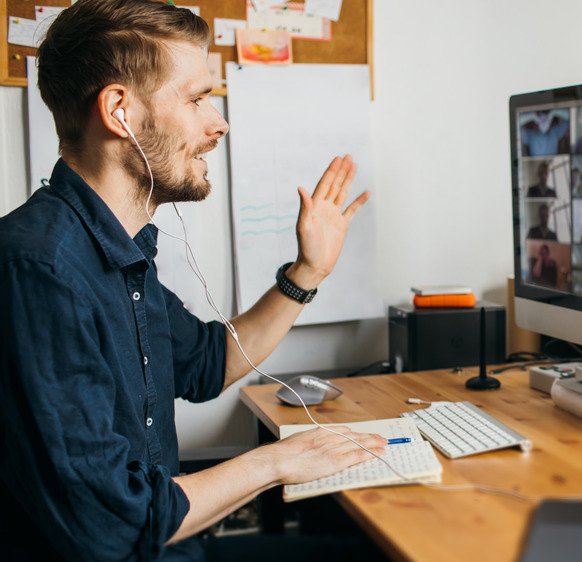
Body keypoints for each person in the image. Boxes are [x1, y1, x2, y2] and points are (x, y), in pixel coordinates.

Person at [0, 2, 387, 560]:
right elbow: (111, 529)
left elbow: (207, 362)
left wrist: (309, 272)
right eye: (197, 98)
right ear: (119, 111)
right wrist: (277, 462)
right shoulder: (41, 271)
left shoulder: (114, 249)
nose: (219, 123)